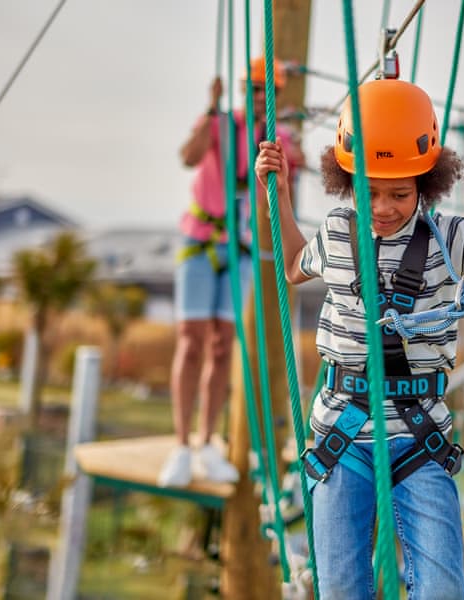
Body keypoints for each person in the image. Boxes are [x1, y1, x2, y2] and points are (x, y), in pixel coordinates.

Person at [255, 76, 464, 599]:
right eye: (371, 192)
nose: (386, 206)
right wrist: (276, 193)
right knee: (341, 589)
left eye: (400, 192)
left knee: (443, 589)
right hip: (340, 435)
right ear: (349, 184)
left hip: (417, 437)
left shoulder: (451, 237)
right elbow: (290, 265)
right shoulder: (337, 234)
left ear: (427, 182)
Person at [158, 57, 303, 488]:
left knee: (223, 347)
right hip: (201, 241)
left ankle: (206, 442)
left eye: (267, 91)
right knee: (191, 340)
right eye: (255, 90)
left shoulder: (274, 137)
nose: (260, 98)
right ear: (246, 92)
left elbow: (296, 169)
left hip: (238, 248)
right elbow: (188, 157)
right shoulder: (222, 125)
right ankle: (182, 444)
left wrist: (293, 144)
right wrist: (209, 108)